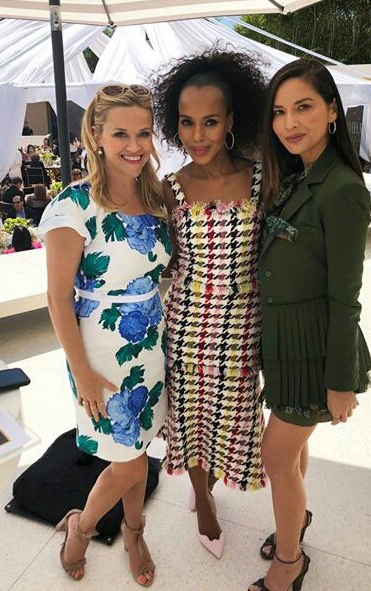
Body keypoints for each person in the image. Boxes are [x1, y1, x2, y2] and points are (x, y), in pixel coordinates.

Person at [38, 83, 171, 586]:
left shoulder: (154, 197)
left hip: (150, 343)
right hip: (99, 351)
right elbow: (57, 298)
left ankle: (134, 531)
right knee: (128, 462)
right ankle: (83, 526)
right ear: (96, 136)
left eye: (143, 133)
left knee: (134, 453)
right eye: (120, 134)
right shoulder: (73, 206)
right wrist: (83, 374)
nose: (134, 146)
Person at [248, 58, 371, 591]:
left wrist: (340, 382)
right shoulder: (297, 175)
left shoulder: (342, 189)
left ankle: (290, 562)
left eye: (303, 107)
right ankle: (293, 521)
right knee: (293, 451)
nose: (289, 123)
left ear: (332, 112)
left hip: (316, 348)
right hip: (284, 343)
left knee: (275, 456)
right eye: (279, 112)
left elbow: (346, 299)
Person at [151, 49, 267, 559]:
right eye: (187, 122)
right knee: (191, 420)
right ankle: (201, 500)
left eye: (210, 122)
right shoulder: (171, 188)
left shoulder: (262, 178)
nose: (197, 135)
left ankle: (214, 484)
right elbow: (166, 260)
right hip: (187, 328)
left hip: (243, 329)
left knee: (232, 419)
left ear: (232, 121)